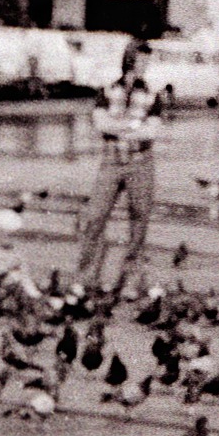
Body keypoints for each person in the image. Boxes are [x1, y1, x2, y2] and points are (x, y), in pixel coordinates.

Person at [75, 72, 162, 293]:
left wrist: (118, 127)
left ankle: (129, 282)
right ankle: (86, 279)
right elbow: (100, 124)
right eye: (137, 62)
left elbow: (151, 131)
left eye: (145, 62)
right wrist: (133, 126)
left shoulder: (152, 92)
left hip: (141, 162)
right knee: (96, 216)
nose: (141, 68)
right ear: (127, 63)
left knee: (139, 221)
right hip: (111, 161)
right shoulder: (108, 89)